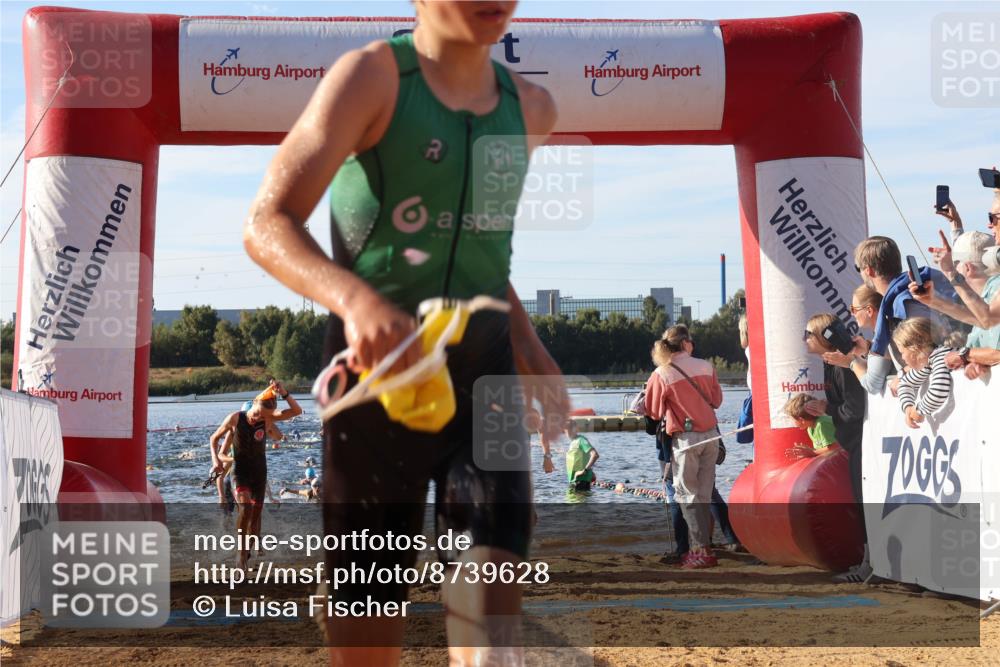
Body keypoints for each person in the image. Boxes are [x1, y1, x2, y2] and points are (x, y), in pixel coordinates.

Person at [243, 2, 567, 661]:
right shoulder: (371, 78)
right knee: (367, 647)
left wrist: (530, 346)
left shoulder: (532, 109)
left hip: (487, 381)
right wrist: (356, 301)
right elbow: (266, 223)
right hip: (378, 388)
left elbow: (475, 251)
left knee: (493, 638)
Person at [644, 324, 723, 569]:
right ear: (687, 343)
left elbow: (653, 412)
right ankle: (706, 546)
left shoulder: (662, 373)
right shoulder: (707, 366)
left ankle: (701, 550)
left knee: (687, 496)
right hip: (711, 436)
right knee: (703, 493)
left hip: (686, 439)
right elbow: (717, 400)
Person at [800, 314, 869, 582]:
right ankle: (868, 562)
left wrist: (826, 409)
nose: (804, 339)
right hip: (855, 442)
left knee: (865, 504)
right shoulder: (833, 363)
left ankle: (869, 565)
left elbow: (855, 408)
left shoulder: (841, 365)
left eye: (807, 333)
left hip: (862, 443)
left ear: (824, 338)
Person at [209, 380, 302, 569]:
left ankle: (249, 550)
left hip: (259, 472)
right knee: (246, 509)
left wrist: (284, 393)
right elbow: (214, 438)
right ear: (255, 404)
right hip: (240, 471)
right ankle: (240, 555)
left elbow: (296, 411)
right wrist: (216, 460)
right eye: (259, 413)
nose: (260, 418)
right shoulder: (236, 418)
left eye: (266, 416)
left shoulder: (267, 420)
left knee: (256, 516)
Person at [846, 236, 954, 395]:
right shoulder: (897, 300)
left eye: (858, 268)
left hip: (940, 397)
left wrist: (904, 373)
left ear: (868, 270)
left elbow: (934, 350)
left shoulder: (904, 303)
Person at [910, 230, 1000, 358]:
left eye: (955, 265)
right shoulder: (986, 299)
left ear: (967, 268)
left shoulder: (996, 288)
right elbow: (981, 320)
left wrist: (964, 355)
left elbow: (988, 322)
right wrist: (933, 301)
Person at [892, 318, 954, 428]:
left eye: (902, 352)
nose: (902, 357)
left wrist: (919, 410)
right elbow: (905, 384)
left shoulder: (941, 357)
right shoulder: (928, 364)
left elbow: (938, 390)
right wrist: (908, 407)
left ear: (915, 348)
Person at [783, 392, 837, 460]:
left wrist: (812, 452)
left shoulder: (822, 424)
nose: (793, 423)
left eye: (793, 419)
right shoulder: (810, 428)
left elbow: (835, 447)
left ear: (801, 419)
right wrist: (808, 451)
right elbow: (823, 450)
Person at [564, 420, 599, 491]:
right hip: (575, 480)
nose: (568, 431)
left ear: (577, 429)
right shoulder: (573, 442)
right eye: (566, 429)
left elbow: (595, 455)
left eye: (570, 428)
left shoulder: (581, 440)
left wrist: (585, 470)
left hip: (581, 481)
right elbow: (580, 459)